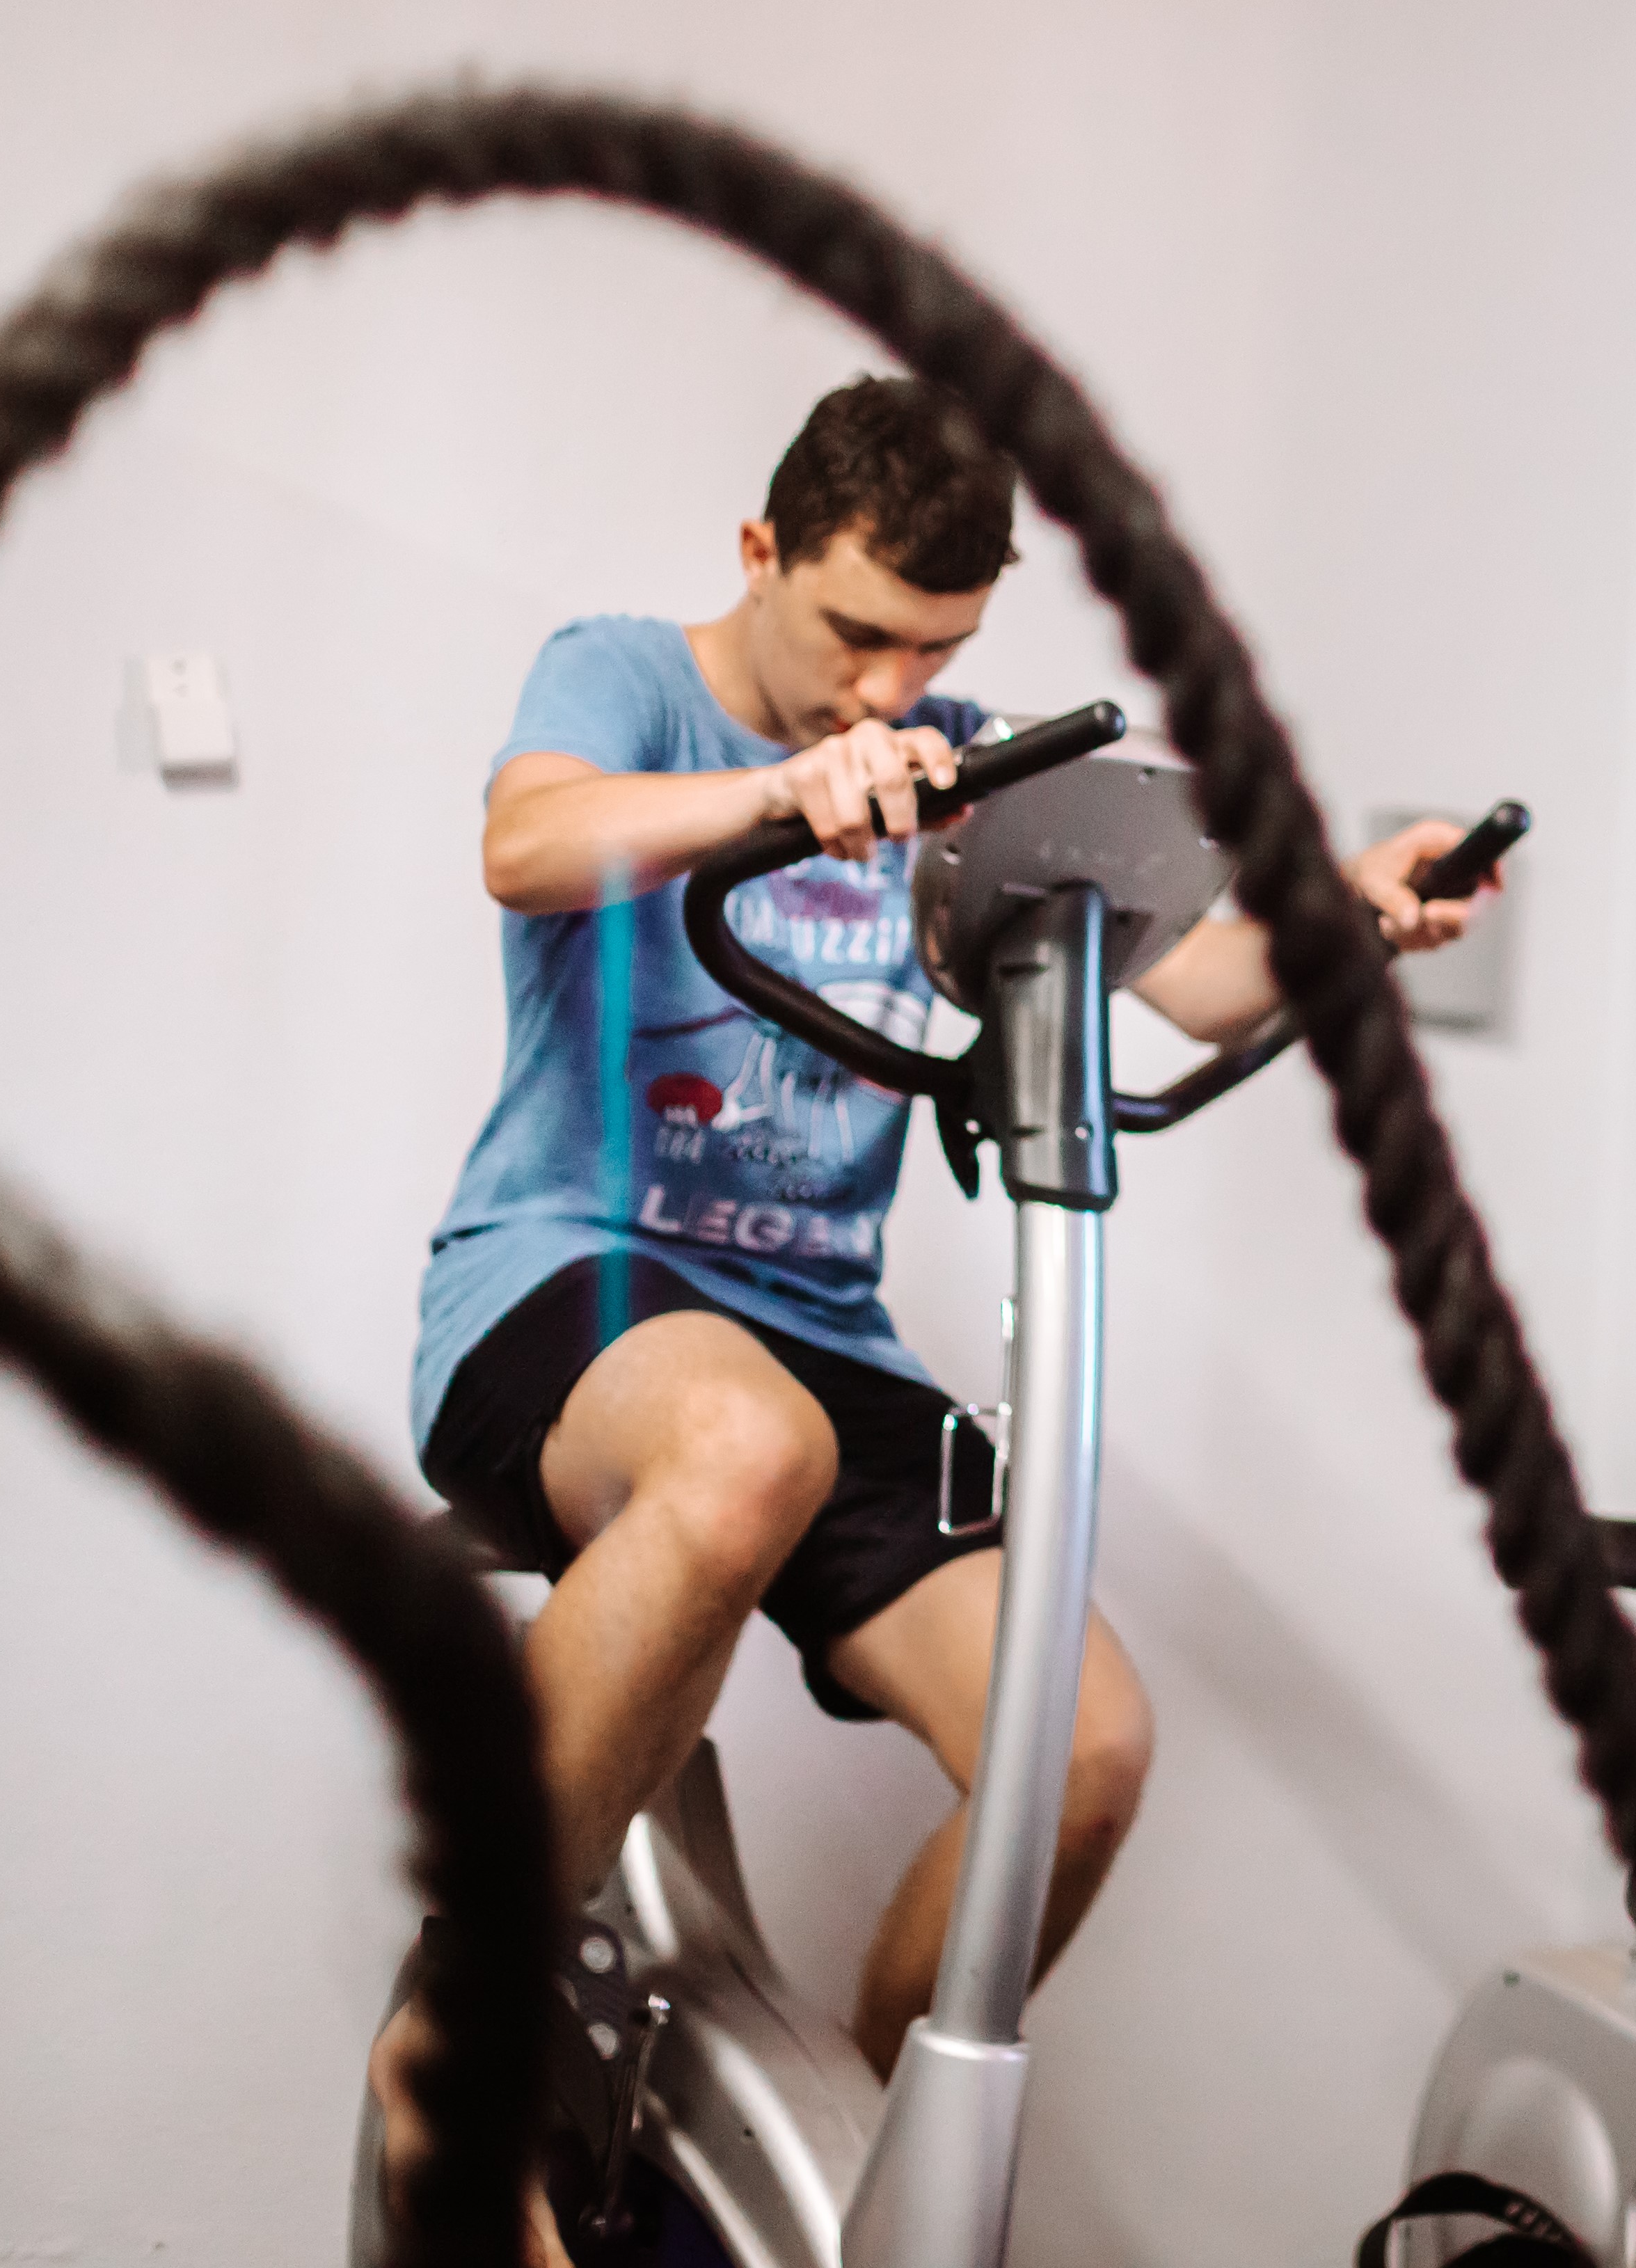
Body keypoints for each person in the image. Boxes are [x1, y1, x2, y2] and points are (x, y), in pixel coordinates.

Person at [366, 376, 1488, 2260]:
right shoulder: (630, 676)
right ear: (762, 554)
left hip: (821, 1331)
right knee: (749, 1454)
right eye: (857, 637)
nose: (891, 693)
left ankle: (846, 2145)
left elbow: (1200, 987)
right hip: (575, 1280)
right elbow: (529, 845)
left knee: (1086, 1753)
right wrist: (781, 791)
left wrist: (1353, 911)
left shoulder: (963, 764)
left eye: (937, 652)